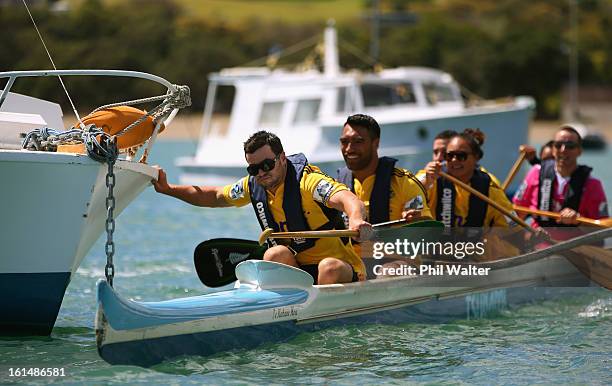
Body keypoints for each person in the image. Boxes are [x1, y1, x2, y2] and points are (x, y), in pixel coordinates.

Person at [153, 131, 371, 284]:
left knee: (328, 268)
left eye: (267, 165)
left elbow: (349, 200)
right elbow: (215, 196)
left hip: (340, 269)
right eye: (254, 168)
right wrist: (168, 188)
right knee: (274, 254)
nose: (261, 172)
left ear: (282, 158)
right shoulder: (253, 185)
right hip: (298, 270)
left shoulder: (308, 182)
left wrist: (356, 219)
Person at [337, 114, 432, 224]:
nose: (349, 148)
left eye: (358, 141)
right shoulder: (337, 186)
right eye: (344, 142)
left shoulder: (405, 184)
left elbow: (427, 228)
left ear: (376, 143)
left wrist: (417, 221)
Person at [513, 125, 609, 232]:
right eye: (558, 145)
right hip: (536, 244)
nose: (563, 150)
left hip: (574, 247)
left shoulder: (593, 185)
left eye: (570, 146)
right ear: (553, 149)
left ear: (579, 151)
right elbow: (516, 213)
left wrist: (578, 220)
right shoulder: (535, 173)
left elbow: (602, 229)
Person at [426, 128, 516, 229]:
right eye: (449, 156)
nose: (454, 160)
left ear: (476, 157)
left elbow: (512, 227)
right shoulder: (431, 179)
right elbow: (411, 193)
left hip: (475, 244)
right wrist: (426, 181)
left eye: (461, 156)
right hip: (439, 243)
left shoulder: (489, 187)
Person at [417, 129, 501, 189]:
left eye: (460, 155)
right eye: (435, 152)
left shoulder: (488, 183)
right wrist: (427, 182)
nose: (438, 158)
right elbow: (412, 190)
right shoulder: (429, 175)